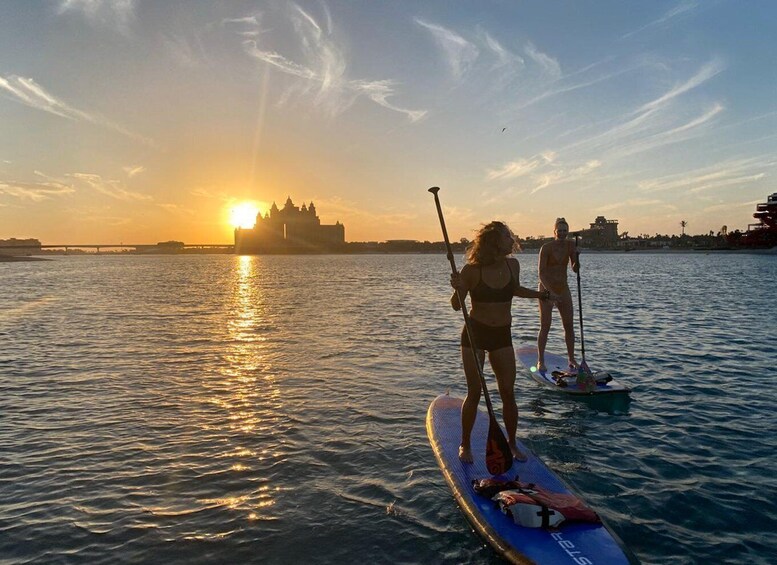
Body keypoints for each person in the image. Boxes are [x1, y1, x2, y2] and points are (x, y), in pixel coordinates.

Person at [450, 221, 557, 464]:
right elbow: (457, 305)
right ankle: (465, 444)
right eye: (508, 236)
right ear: (495, 241)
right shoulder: (471, 270)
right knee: (475, 392)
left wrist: (541, 294)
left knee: (508, 393)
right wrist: (457, 288)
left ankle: (511, 443)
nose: (513, 239)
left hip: (502, 336)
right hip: (475, 335)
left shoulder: (513, 265)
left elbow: (514, 289)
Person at [536, 217, 579, 373]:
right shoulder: (546, 248)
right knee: (545, 326)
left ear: (568, 232)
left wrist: (577, 258)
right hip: (546, 289)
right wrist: (550, 293)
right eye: (559, 231)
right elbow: (541, 273)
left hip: (563, 289)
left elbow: (575, 269)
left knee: (569, 325)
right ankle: (540, 360)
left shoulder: (571, 245)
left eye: (564, 231)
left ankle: (571, 359)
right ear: (554, 231)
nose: (562, 233)